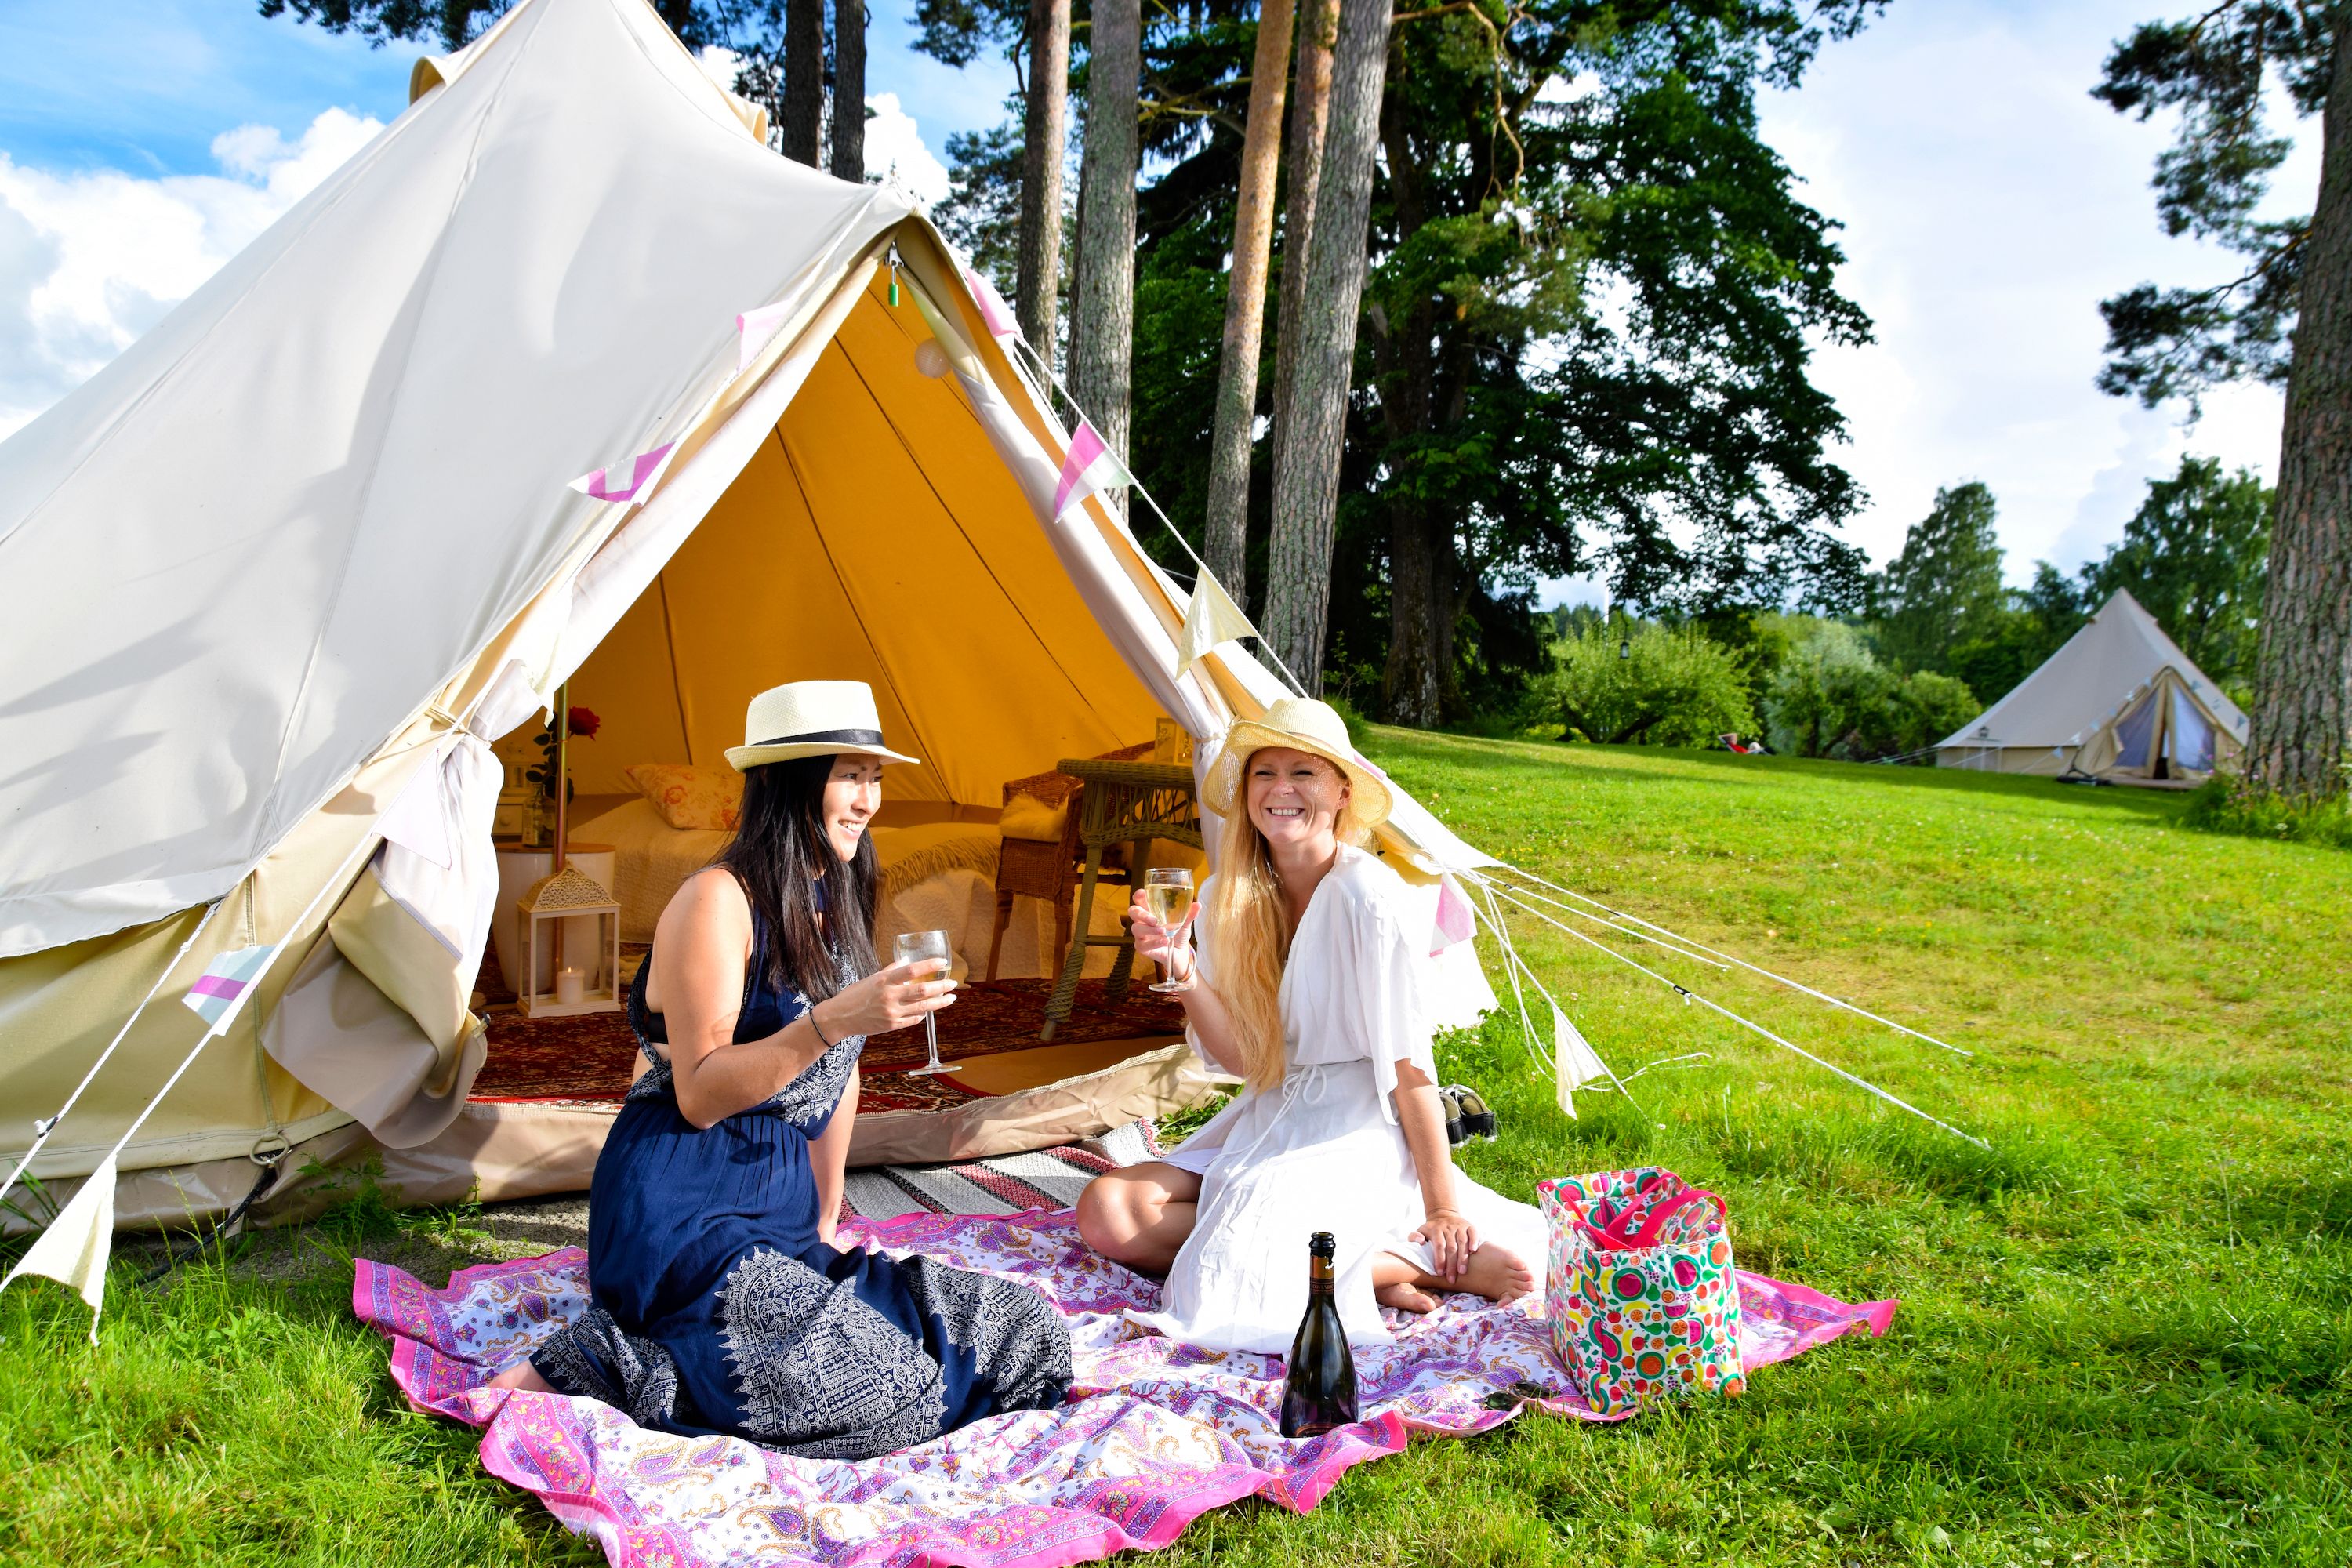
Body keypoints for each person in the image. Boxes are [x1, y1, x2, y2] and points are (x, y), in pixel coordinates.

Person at [488, 681, 1071, 1457]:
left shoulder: (835, 900)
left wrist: (828, 1212)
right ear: (791, 781)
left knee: (1027, 1335)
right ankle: (609, 1360)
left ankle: (779, 1319)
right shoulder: (714, 900)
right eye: (849, 774)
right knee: (881, 1392)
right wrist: (833, 1018)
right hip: (681, 1208)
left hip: (779, 1217)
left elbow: (842, 1072)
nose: (867, 799)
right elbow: (698, 1094)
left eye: (875, 776)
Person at [1073, 697, 1543, 1355]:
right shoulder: (1222, 896)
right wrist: (1179, 965)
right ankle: (1362, 1268)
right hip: (1270, 1108)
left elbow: (1411, 1073)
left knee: (1235, 1266)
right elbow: (1241, 1060)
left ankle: (1432, 1263)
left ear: (1342, 792)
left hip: (1354, 1118)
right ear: (1245, 792)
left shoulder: (1370, 900)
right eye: (1264, 774)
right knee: (1109, 1213)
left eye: (1305, 774)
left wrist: (1442, 1209)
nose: (1281, 791)